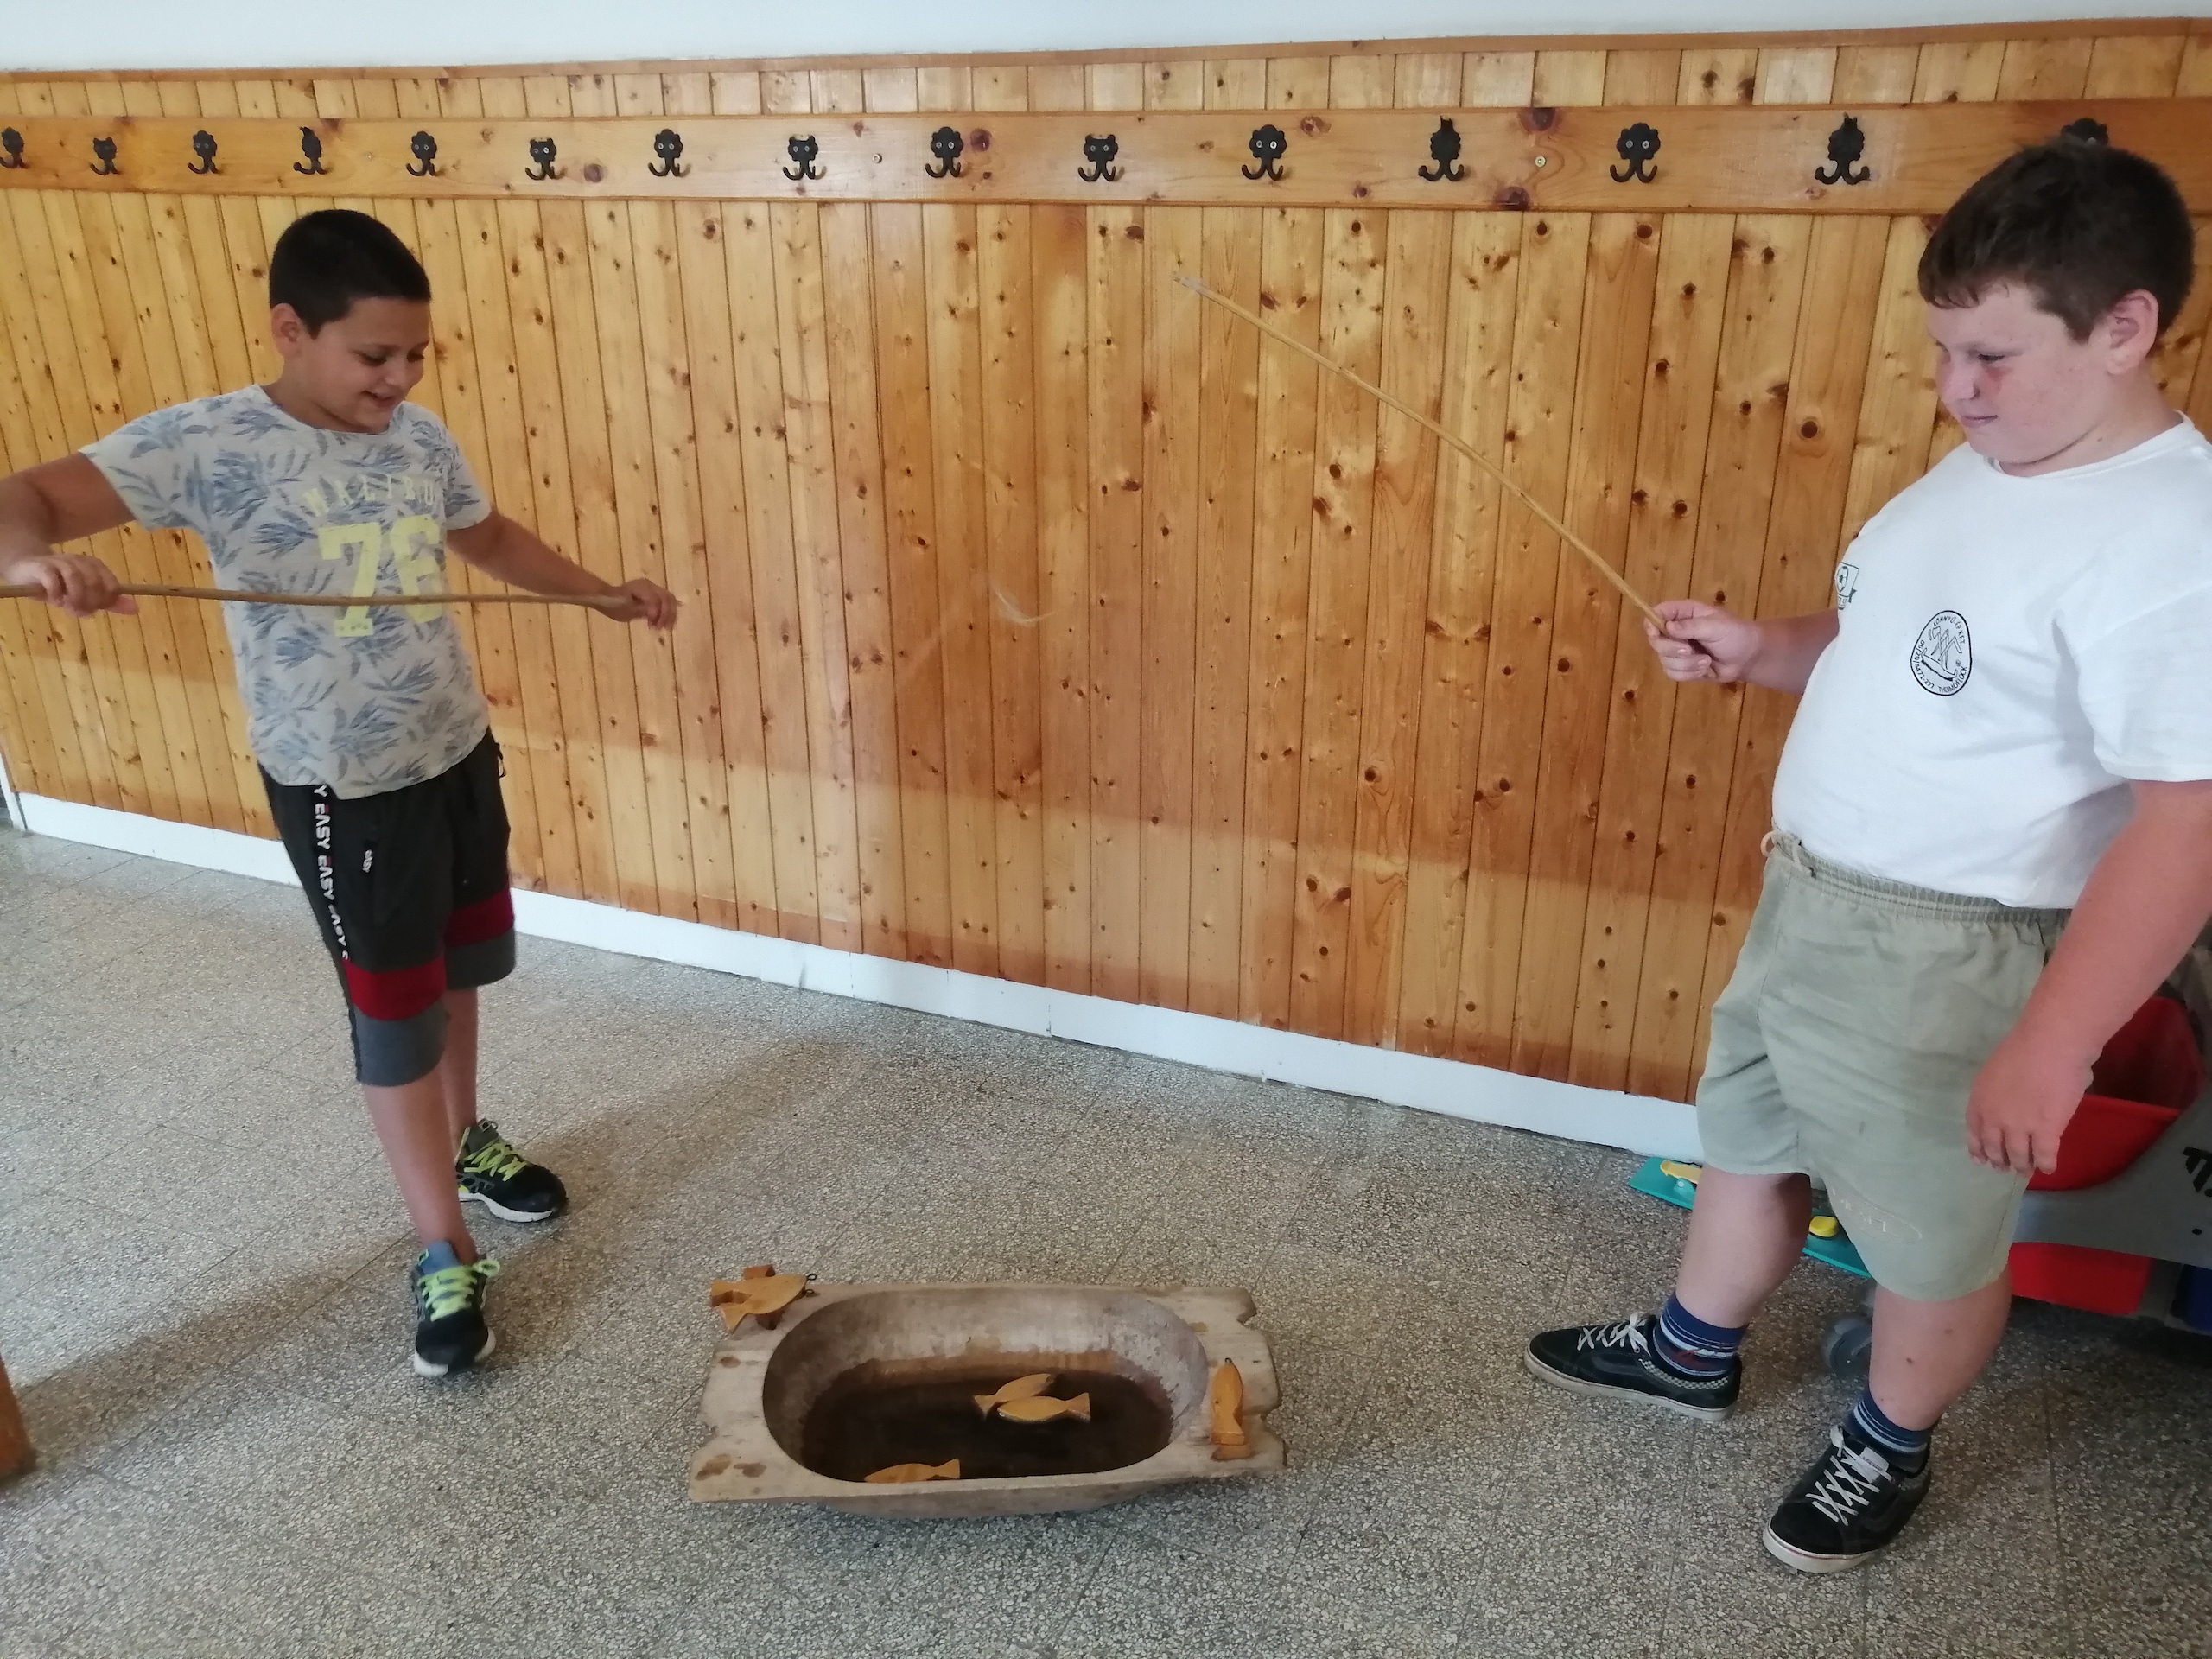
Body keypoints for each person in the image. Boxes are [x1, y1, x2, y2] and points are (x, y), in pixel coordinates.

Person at [1525, 138, 2212, 1573]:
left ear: (2125, 326)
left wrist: (2054, 1045)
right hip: (1811, 899)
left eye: (1991, 355)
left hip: (1952, 959)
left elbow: (2186, 826)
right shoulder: (1996, 461)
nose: (1957, 386)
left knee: (1927, 1240)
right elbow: (1885, 641)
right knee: (1748, 1144)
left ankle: (1890, 1441)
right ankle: (1692, 1348)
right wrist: (1761, 647)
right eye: (1944, 349)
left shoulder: (2169, 543)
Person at [0, 208, 677, 1378]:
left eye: (416, 354)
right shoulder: (206, 442)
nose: (401, 378)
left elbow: (489, 537)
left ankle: (468, 1141)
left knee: (457, 972)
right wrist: (30, 561)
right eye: (374, 355)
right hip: (343, 787)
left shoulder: (419, 438)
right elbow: (27, 497)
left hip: (453, 751)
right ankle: (442, 1247)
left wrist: (595, 593)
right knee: (394, 1014)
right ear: (290, 330)